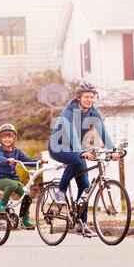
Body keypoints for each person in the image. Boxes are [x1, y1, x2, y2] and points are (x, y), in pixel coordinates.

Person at [48, 81, 120, 237]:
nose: (90, 100)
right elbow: (72, 132)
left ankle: (82, 224)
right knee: (76, 160)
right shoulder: (69, 110)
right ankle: (59, 193)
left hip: (76, 149)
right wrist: (80, 151)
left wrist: (113, 150)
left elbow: (102, 131)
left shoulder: (93, 112)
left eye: (92, 97)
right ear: (79, 97)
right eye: (86, 97)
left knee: (85, 186)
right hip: (58, 147)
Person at [0, 123, 38, 230]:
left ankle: (25, 219)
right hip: (2, 179)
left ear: (14, 138)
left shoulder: (17, 151)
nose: (7, 139)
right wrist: (6, 160)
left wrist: (39, 162)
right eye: (4, 137)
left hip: (14, 180)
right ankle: (1, 204)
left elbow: (26, 160)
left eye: (9, 136)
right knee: (12, 184)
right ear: (0, 139)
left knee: (27, 195)